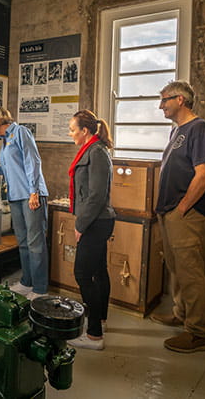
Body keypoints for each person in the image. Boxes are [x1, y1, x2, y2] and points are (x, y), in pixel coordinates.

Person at [150, 80, 205, 353]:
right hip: (170, 211)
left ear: (181, 100)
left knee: (190, 272)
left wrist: (183, 207)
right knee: (177, 268)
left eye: (165, 100)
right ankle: (181, 314)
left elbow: (204, 174)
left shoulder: (199, 129)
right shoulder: (177, 131)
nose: (161, 105)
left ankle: (198, 334)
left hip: (185, 213)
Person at [0, 107, 49, 300]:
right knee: (24, 243)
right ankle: (27, 282)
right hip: (16, 196)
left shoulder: (21, 132)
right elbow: (13, 167)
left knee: (36, 244)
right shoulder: (5, 140)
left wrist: (34, 191)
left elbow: (32, 162)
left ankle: (40, 289)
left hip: (30, 195)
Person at [65, 110, 116, 351]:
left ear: (85, 131)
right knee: (98, 271)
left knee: (83, 274)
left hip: (95, 221)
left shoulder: (96, 153)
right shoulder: (93, 150)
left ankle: (94, 335)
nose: (70, 133)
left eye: (73, 129)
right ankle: (101, 319)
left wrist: (80, 224)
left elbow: (96, 196)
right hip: (96, 220)